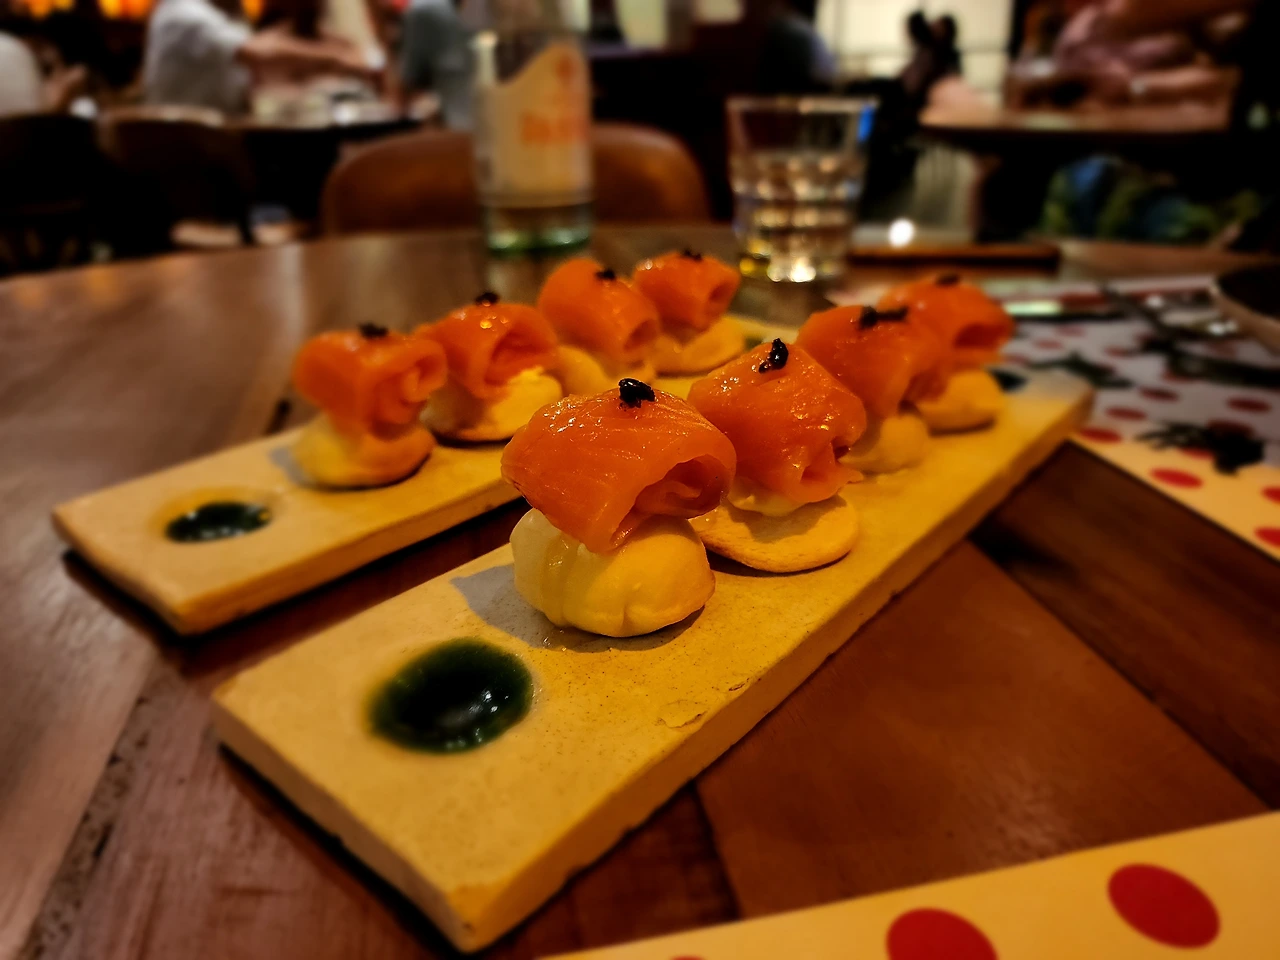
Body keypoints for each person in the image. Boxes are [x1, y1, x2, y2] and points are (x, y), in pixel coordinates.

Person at [143, 0, 377, 114]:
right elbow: (259, 52)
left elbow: (257, 79)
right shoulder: (183, 12)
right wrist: (337, 60)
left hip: (213, 137)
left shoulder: (219, 17)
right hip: (185, 144)